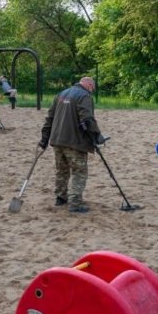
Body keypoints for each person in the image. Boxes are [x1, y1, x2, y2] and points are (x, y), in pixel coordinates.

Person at [38, 77, 106, 213]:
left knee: (61, 170)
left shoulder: (61, 94)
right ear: (89, 85)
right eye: (92, 89)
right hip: (74, 141)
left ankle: (60, 197)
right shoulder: (84, 96)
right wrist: (97, 136)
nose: (91, 91)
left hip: (57, 140)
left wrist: (44, 140)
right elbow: (87, 119)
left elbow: (49, 118)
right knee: (79, 171)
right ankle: (75, 202)